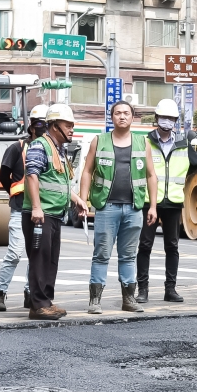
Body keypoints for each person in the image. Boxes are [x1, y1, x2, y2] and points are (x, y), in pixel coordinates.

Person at [79, 101, 158, 314]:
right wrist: (83, 200)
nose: (122, 116)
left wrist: (153, 206)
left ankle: (129, 299)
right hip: (107, 208)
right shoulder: (99, 141)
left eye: (126, 113)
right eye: (117, 113)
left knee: (128, 256)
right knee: (101, 254)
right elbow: (87, 171)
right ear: (111, 117)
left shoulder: (143, 143)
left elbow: (151, 175)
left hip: (134, 209)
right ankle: (95, 301)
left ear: (133, 117)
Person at [23, 104, 88, 320]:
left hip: (53, 214)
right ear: (54, 126)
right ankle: (38, 305)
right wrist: (36, 207)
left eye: (72, 125)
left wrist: (77, 199)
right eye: (67, 125)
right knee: (40, 259)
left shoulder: (58, 150)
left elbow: (60, 183)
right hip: (41, 215)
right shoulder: (40, 146)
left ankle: (46, 301)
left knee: (50, 259)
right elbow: (32, 176)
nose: (71, 130)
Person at [136, 98, 197, 304]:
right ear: (156, 118)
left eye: (171, 118)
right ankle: (142, 289)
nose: (167, 122)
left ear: (176, 121)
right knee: (145, 246)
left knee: (172, 247)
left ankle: (170, 289)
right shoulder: (144, 142)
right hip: (149, 203)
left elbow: (194, 167)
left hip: (173, 202)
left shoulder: (183, 144)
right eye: (163, 117)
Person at [0, 104, 47, 311]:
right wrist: (15, 193)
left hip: (43, 209)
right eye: (40, 124)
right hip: (19, 208)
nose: (43, 128)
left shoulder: (51, 149)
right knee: (15, 253)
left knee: (36, 253)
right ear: (31, 127)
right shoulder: (17, 148)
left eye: (47, 124)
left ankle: (29, 292)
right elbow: (2, 176)